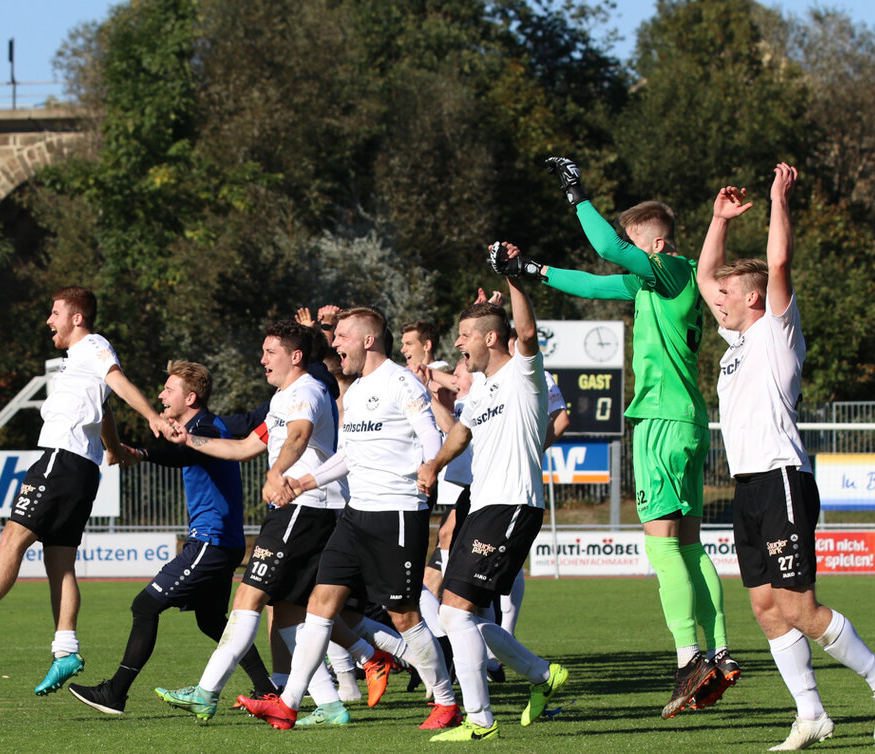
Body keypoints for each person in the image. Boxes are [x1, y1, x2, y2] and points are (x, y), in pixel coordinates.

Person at [502, 156, 736, 719]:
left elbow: (607, 250)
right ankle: (721, 652)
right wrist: (532, 271)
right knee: (687, 543)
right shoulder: (661, 280)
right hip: (686, 421)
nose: (627, 254)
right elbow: (593, 280)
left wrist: (576, 194)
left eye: (634, 245)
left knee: (661, 546)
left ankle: (689, 659)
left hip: (659, 422)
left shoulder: (671, 270)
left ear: (652, 244)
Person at [697, 163, 875, 750]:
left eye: (728, 294)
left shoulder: (776, 332)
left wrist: (776, 199)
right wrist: (717, 220)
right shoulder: (736, 341)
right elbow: (704, 276)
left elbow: (779, 263)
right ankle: (811, 714)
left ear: (754, 297)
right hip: (748, 487)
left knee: (800, 606)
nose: (717, 299)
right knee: (766, 608)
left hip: (784, 478)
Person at [0, 286, 165, 695]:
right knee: (61, 564)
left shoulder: (93, 346)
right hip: (81, 470)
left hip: (60, 462)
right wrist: (116, 449)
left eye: (55, 313)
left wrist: (152, 416)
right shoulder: (79, 363)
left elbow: (117, 381)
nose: (49, 320)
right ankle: (65, 650)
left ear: (77, 318)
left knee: (13, 538)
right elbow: (103, 407)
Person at [153, 321, 389, 726]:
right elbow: (246, 446)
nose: (262, 360)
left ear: (295, 356)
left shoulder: (306, 393)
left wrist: (276, 474)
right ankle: (332, 706)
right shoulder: (283, 397)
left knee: (247, 600)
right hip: (303, 508)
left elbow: (298, 437)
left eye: (269, 352)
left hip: (304, 507)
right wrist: (189, 440)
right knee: (290, 614)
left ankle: (206, 693)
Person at [237, 306, 461, 732]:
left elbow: (432, 435)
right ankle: (287, 704)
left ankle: (447, 701)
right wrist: (303, 481)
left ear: (368, 340)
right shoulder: (354, 391)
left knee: (403, 615)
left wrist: (430, 468)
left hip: (396, 513)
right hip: (355, 515)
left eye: (341, 336)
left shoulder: (401, 382)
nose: (334, 343)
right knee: (319, 603)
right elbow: (349, 456)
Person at [66, 360, 276, 713]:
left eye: (169, 390)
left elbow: (183, 453)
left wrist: (144, 453)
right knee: (211, 621)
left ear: (190, 397)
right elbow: (260, 412)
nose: (161, 396)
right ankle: (267, 689)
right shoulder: (218, 424)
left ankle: (115, 693)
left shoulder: (205, 427)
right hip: (221, 541)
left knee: (145, 606)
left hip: (211, 540)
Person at [415, 262, 566, 741]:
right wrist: (434, 465)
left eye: (464, 335)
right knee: (456, 614)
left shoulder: (525, 374)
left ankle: (479, 721)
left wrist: (514, 278)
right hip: (481, 506)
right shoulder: (481, 391)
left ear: (492, 340)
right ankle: (542, 675)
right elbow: (459, 433)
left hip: (513, 506)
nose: (457, 344)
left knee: (457, 613)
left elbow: (525, 331)